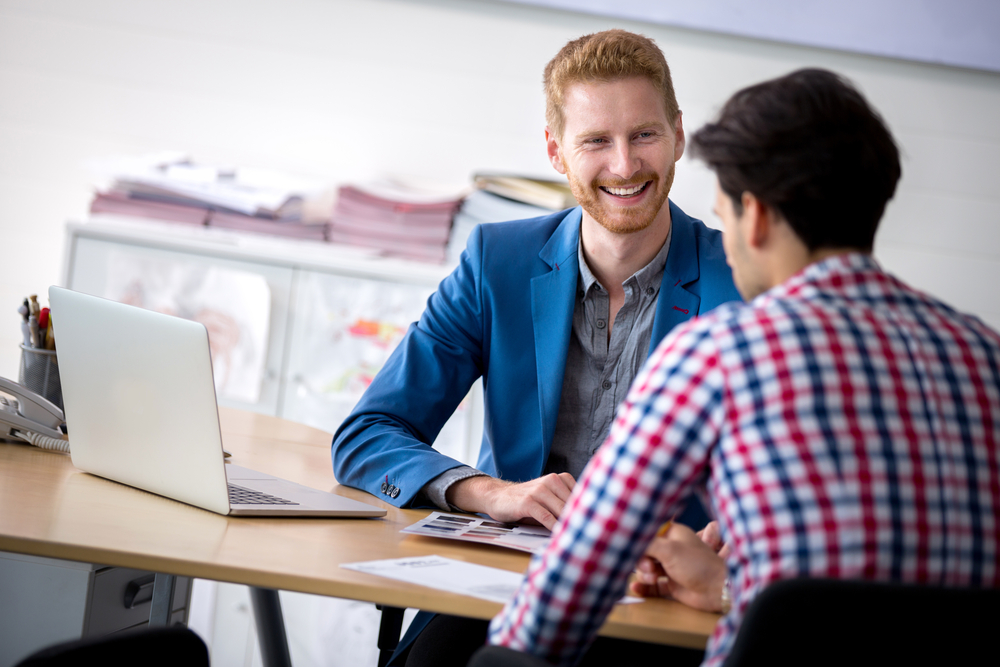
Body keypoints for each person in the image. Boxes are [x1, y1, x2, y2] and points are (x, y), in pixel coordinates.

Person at [485, 68, 1000, 666]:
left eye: (724, 216)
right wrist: (728, 588)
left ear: (752, 217)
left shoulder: (721, 355)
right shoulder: (984, 354)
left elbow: (568, 587)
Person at [331, 29, 741, 666]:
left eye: (645, 135)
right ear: (556, 151)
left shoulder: (742, 285)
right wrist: (491, 492)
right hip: (503, 588)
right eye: (596, 141)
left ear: (679, 135)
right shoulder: (497, 260)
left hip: (658, 607)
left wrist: (731, 543)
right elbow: (367, 435)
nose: (625, 165)